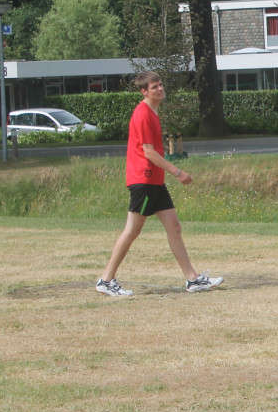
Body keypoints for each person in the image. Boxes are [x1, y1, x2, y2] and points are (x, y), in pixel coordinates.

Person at [95, 71, 222, 297]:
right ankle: (106, 280)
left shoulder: (153, 113)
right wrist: (177, 171)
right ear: (144, 91)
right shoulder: (143, 113)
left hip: (154, 181)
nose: (160, 89)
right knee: (132, 230)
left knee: (174, 227)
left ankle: (193, 280)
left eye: (161, 85)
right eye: (154, 87)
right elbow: (149, 153)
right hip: (143, 181)